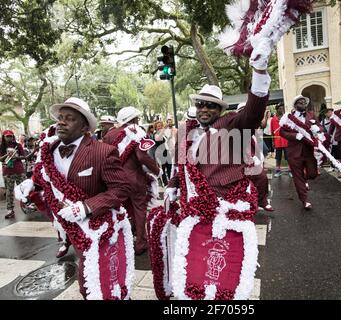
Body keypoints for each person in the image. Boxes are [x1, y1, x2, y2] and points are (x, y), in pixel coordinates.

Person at [159, 46, 272, 300]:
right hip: (194, 212)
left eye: (211, 106)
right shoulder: (186, 129)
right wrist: (172, 186)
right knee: (196, 272)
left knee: (224, 277)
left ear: (219, 110)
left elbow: (253, 111)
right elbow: (182, 165)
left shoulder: (232, 124)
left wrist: (260, 70)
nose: (205, 110)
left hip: (225, 210)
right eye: (201, 105)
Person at [15, 97, 134, 299]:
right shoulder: (49, 151)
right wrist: (31, 184)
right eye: (60, 118)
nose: (61, 122)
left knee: (106, 283)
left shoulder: (102, 152)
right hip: (71, 231)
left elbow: (121, 189)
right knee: (88, 285)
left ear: (84, 126)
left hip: (99, 231)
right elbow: (45, 176)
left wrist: (86, 207)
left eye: (69, 118)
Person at [103, 106, 160, 256]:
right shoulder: (137, 131)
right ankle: (140, 242)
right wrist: (156, 169)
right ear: (133, 119)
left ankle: (123, 240)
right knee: (140, 210)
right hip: (135, 179)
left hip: (115, 180)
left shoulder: (109, 135)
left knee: (123, 211)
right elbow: (142, 156)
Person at [279, 95, 321, 210]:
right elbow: (282, 132)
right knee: (298, 177)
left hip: (309, 150)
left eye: (304, 102)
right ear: (295, 105)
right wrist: (294, 135)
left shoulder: (311, 115)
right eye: (300, 102)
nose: (303, 104)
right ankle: (305, 200)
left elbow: (320, 127)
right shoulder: (288, 117)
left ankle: (305, 179)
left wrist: (318, 130)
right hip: (294, 151)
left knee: (313, 174)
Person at [0, 130, 26, 219]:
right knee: (9, 191)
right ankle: (10, 210)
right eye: (7, 136)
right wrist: (7, 155)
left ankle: (27, 205)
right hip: (7, 172)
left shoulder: (18, 145)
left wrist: (16, 157)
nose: (9, 138)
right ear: (3, 137)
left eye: (11, 136)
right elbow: (0, 159)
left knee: (24, 189)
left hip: (19, 170)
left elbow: (23, 156)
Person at [270, 102, 289, 177]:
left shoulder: (286, 118)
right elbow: (272, 131)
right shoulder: (273, 119)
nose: (282, 109)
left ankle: (290, 170)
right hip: (277, 141)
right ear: (277, 109)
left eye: (283, 108)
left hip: (286, 140)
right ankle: (278, 171)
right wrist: (273, 141)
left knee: (288, 156)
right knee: (278, 157)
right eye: (280, 108)